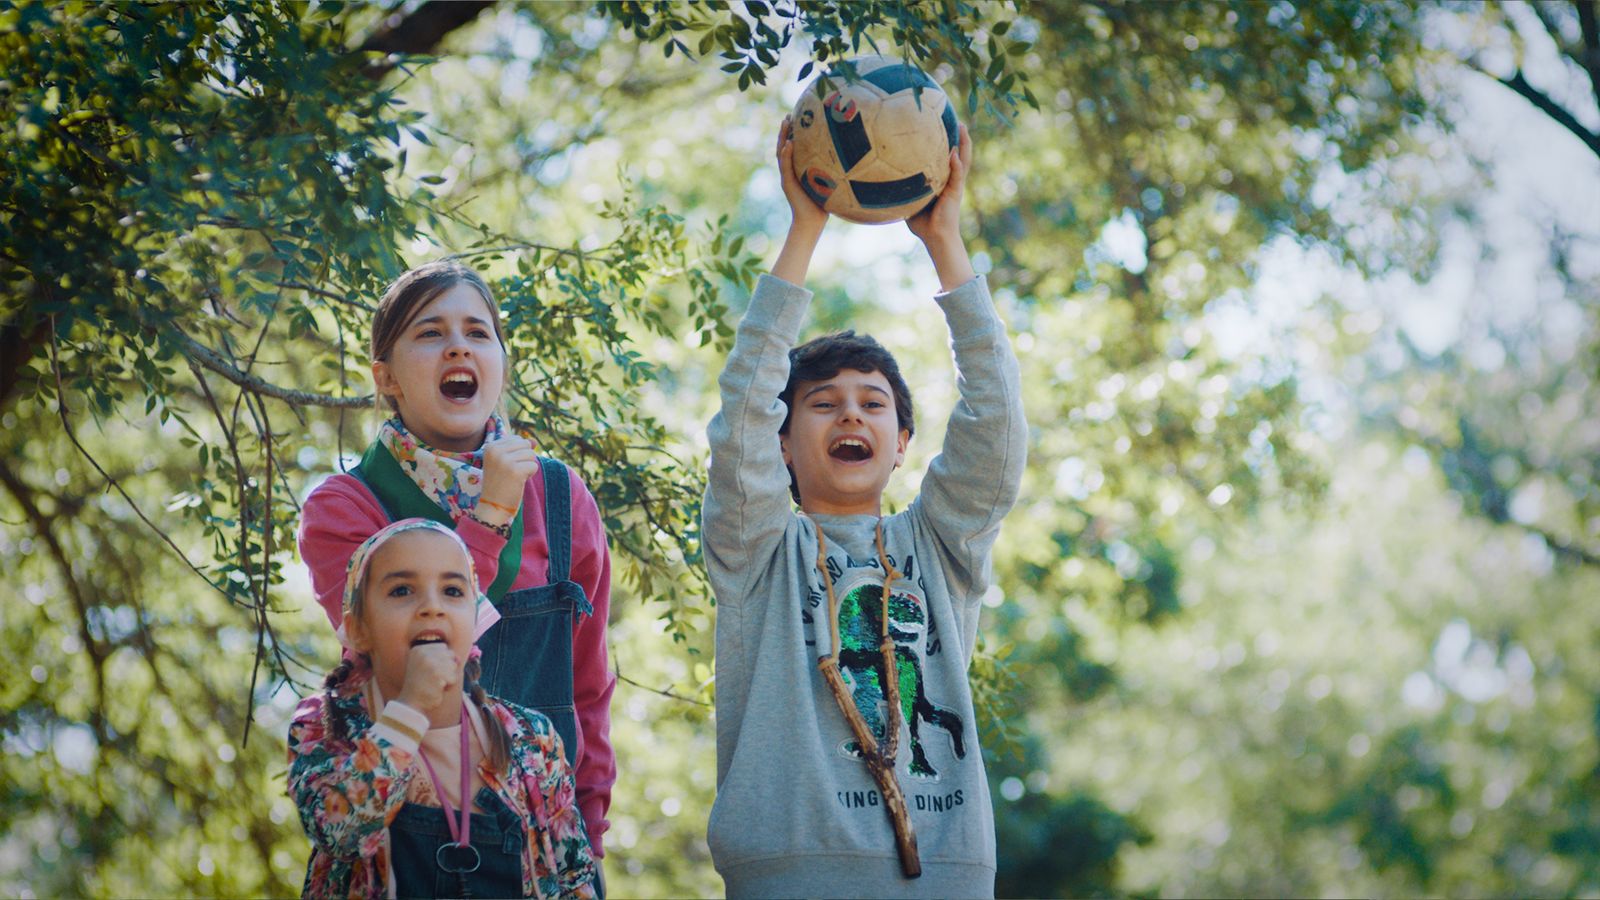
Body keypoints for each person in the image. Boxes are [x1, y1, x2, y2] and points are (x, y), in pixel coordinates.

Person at [701, 116, 1028, 898]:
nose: (850, 415)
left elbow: (997, 429)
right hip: (789, 873)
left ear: (902, 440)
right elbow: (744, 408)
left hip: (943, 876)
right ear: (783, 442)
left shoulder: (940, 546)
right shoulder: (756, 548)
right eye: (823, 403)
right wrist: (803, 232)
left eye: (872, 404)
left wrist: (944, 241)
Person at [297, 260, 615, 864]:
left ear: (500, 360)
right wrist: (491, 512)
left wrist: (589, 836)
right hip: (398, 836)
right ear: (385, 376)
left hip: (545, 843)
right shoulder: (343, 507)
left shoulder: (560, 497)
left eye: (477, 332)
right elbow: (425, 647)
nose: (457, 348)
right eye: (430, 332)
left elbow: (589, 688)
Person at [288, 518, 597, 899]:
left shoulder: (533, 739)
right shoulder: (325, 724)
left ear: (476, 617)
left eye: (452, 590)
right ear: (357, 630)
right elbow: (341, 834)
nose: (431, 607)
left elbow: (574, 879)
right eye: (402, 590)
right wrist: (410, 707)